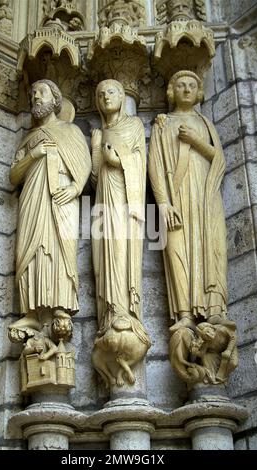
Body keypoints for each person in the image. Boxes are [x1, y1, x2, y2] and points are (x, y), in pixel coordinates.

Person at [9, 79, 91, 334]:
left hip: (62, 199)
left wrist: (75, 188)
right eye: (32, 92)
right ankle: (31, 312)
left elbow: (84, 165)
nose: (35, 96)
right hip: (33, 199)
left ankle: (62, 306)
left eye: (42, 92)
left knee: (59, 248)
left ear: (56, 100)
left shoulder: (71, 131)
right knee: (30, 250)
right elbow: (13, 176)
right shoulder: (29, 138)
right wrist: (35, 154)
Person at [149, 70, 227, 332]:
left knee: (210, 248)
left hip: (205, 196)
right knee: (177, 250)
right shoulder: (162, 123)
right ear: (171, 91)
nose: (186, 89)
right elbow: (156, 167)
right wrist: (163, 203)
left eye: (191, 86)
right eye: (180, 85)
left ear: (199, 92)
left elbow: (219, 159)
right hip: (176, 197)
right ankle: (184, 313)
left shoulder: (205, 123)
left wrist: (195, 141)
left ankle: (214, 309)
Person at [91, 79, 150, 387]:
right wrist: (96, 150)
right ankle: (109, 314)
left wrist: (121, 160)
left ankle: (126, 312)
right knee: (103, 261)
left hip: (126, 206)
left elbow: (141, 163)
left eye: (111, 91)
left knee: (121, 255)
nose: (105, 97)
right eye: (100, 94)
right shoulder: (100, 133)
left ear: (123, 95)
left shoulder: (134, 126)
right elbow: (91, 178)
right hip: (104, 202)